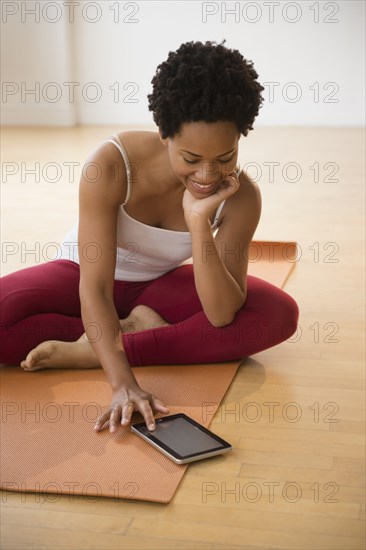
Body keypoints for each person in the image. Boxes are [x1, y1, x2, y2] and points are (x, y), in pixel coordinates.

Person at [0, 40, 299, 434]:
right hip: (80, 275)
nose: (208, 176)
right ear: (164, 133)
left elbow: (221, 312)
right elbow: (95, 288)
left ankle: (92, 351)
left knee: (274, 315)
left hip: (155, 289)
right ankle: (117, 336)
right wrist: (122, 383)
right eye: (191, 159)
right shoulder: (109, 165)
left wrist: (198, 224)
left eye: (225, 157)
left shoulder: (241, 197)